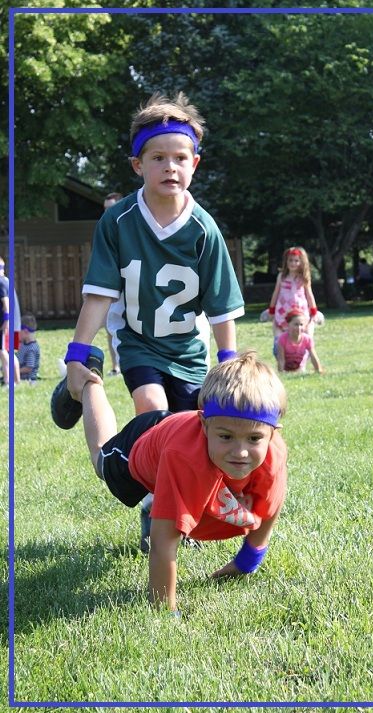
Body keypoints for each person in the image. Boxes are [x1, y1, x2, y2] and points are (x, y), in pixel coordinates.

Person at [50, 91, 244, 550]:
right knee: (155, 417)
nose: (170, 167)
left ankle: (172, 504)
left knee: (193, 431)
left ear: (195, 163)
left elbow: (221, 306)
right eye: (158, 157)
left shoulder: (204, 229)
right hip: (139, 341)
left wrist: (229, 362)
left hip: (189, 349)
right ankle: (158, 512)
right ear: (138, 165)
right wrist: (78, 352)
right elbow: (99, 293)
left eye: (180, 157)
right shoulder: (118, 222)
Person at [79, 350, 287, 614]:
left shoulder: (274, 454)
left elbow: (269, 508)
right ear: (203, 424)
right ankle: (88, 378)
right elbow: (163, 541)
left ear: (272, 434)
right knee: (100, 458)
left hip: (178, 436)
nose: (241, 451)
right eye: (226, 437)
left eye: (254, 439)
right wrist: (165, 612)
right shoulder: (184, 459)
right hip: (144, 442)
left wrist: (246, 563)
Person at [266, 247, 318, 355]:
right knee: (281, 335)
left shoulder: (303, 277)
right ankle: (282, 359)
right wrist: (271, 309)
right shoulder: (282, 276)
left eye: (296, 260)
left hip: (300, 311)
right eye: (290, 260)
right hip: (283, 311)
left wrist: (313, 311)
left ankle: (301, 359)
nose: (293, 263)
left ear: (301, 262)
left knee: (302, 334)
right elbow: (275, 293)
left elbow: (309, 294)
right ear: (286, 261)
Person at [102, 192, 123, 376]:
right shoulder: (104, 230)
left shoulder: (129, 228)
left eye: (111, 208)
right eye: (105, 209)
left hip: (132, 290)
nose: (107, 212)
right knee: (110, 327)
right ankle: (115, 366)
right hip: (112, 290)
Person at [276, 309, 323, 374]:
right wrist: (281, 373)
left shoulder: (307, 339)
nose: (299, 327)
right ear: (288, 324)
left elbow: (313, 356)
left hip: (299, 368)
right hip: (286, 369)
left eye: (301, 325)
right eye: (296, 324)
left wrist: (319, 370)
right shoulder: (282, 339)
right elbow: (281, 359)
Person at [16, 313, 41, 382]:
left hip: (27, 378)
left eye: (18, 331)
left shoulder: (31, 348)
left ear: (25, 332)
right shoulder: (23, 344)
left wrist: (14, 371)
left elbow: (29, 368)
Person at [0, 258, 10, 385]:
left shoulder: (2, 282)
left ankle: (8, 380)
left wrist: (6, 321)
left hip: (2, 324)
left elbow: (6, 303)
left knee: (3, 351)